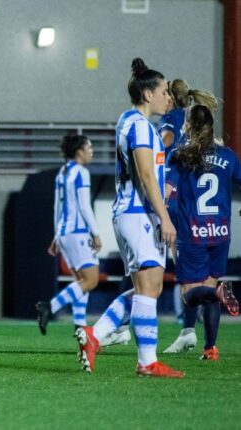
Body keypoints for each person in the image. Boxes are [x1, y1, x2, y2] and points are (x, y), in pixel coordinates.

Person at [76, 58, 183, 377]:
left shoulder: (132, 122)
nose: (169, 97)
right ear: (148, 94)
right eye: (164, 91)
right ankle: (147, 361)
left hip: (134, 213)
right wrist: (165, 217)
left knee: (147, 287)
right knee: (149, 288)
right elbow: (145, 175)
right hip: (138, 215)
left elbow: (150, 174)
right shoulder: (137, 125)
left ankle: (95, 336)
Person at [163, 104, 241, 360]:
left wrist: (159, 215)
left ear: (187, 125)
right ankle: (210, 348)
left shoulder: (180, 155)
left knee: (189, 296)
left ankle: (218, 293)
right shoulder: (228, 156)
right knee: (210, 286)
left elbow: (166, 190)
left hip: (193, 233)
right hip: (220, 232)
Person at [36, 135, 101, 334]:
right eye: (89, 147)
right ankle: (50, 306)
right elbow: (84, 206)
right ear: (79, 152)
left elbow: (58, 207)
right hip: (78, 233)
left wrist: (57, 236)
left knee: (81, 282)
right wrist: (96, 233)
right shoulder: (81, 172)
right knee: (91, 280)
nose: (92, 151)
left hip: (65, 234)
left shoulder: (62, 173)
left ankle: (81, 329)